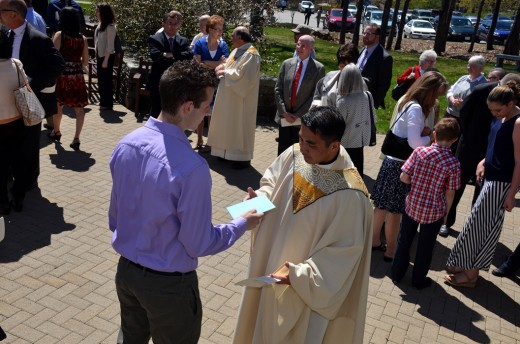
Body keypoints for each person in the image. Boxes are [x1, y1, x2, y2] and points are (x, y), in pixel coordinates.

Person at [109, 60, 263, 342]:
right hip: (168, 287)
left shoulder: (126, 144)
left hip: (127, 274)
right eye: (207, 106)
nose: (209, 112)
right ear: (187, 107)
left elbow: (116, 216)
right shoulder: (192, 168)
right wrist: (242, 222)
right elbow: (198, 242)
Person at [233, 106, 373, 344]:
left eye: (311, 143)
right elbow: (272, 182)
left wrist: (299, 275)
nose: (303, 147)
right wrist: (259, 198)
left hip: (302, 284)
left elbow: (345, 253)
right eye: (301, 139)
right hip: (272, 256)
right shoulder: (295, 154)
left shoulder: (351, 194)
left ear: (334, 146)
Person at [444, 80, 520, 288]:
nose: (494, 113)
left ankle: (471, 275)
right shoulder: (502, 117)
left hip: (501, 183)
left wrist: (512, 193)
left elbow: (519, 162)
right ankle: (467, 266)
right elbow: (495, 144)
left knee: (479, 228)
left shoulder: (518, 122)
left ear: (511, 103)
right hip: (490, 176)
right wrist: (483, 161)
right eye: (491, 110)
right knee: (476, 225)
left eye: (498, 110)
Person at [371, 72, 448, 262]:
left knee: (380, 206)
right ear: (429, 91)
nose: (436, 99)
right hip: (400, 165)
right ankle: (391, 250)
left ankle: (373, 241)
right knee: (395, 212)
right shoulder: (416, 109)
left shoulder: (409, 102)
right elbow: (415, 143)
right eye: (436, 94)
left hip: (390, 161)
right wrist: (430, 137)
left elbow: (408, 133)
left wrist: (422, 132)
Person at [0, 0, 65, 192]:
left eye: (1, 11)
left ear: (13, 14)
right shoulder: (6, 35)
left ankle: (29, 180)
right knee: (12, 140)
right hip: (8, 101)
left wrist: (31, 86)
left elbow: (57, 66)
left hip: (29, 99)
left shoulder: (38, 39)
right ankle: (11, 174)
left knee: (29, 142)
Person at [442, 71, 516, 237]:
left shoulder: (513, 99)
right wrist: (469, 137)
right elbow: (464, 114)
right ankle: (447, 221)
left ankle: (474, 227)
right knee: (457, 185)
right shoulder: (481, 90)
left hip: (492, 151)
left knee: (482, 190)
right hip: (469, 147)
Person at [391, 118, 461, 289]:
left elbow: (404, 177)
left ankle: (397, 274)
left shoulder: (419, 152)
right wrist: (446, 214)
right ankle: (418, 280)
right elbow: (450, 192)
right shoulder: (453, 164)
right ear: (455, 140)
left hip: (412, 205)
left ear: (434, 134)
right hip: (434, 212)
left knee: (404, 240)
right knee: (426, 246)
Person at [207, 26, 261, 169]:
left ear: (240, 38)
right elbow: (233, 66)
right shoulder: (237, 50)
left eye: (233, 36)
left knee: (238, 124)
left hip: (240, 99)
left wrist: (225, 72)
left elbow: (245, 78)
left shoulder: (252, 55)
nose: (231, 38)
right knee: (226, 122)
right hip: (228, 96)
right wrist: (223, 66)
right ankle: (223, 153)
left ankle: (240, 158)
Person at [275, 34, 325, 155]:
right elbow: (278, 89)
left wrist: (298, 115)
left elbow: (316, 95)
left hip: (302, 120)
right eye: (298, 44)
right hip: (285, 117)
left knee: (298, 152)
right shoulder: (286, 64)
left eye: (304, 45)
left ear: (311, 48)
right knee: (283, 152)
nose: (300, 47)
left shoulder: (318, 69)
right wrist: (284, 112)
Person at [48, 6, 88, 151]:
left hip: (62, 76)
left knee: (58, 105)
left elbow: (53, 56)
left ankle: (56, 131)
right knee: (79, 109)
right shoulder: (82, 38)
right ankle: (76, 138)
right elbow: (85, 62)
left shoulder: (60, 35)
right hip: (77, 76)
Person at [0, 30, 27, 214]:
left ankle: (3, 202)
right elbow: (25, 89)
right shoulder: (16, 65)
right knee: (17, 161)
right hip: (17, 122)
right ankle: (18, 198)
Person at [192, 14, 228, 152]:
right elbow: (197, 63)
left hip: (217, 82)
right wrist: (217, 63)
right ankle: (199, 139)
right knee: (201, 110)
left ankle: (210, 142)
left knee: (213, 113)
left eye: (221, 29)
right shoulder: (200, 43)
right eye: (218, 29)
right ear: (211, 29)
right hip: (201, 81)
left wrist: (207, 63)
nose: (220, 32)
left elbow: (226, 64)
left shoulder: (223, 44)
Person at [147, 11, 192, 118]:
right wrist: (177, 57)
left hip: (177, 82)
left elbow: (189, 54)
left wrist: (171, 55)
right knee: (156, 110)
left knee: (173, 112)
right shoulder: (155, 39)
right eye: (170, 23)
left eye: (175, 24)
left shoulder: (183, 41)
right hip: (158, 80)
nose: (172, 26)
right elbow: (155, 56)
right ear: (163, 24)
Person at [336, 63, 376, 176]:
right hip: (361, 140)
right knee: (357, 173)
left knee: (345, 174)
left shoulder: (343, 101)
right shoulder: (367, 95)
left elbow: (339, 125)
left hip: (346, 142)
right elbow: (373, 115)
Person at [444, 55, 487, 153]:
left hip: (463, 120)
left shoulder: (483, 84)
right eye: (468, 65)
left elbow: (480, 107)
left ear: (481, 68)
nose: (469, 68)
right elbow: (451, 90)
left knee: (454, 145)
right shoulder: (463, 78)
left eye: (473, 66)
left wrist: (464, 106)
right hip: (449, 114)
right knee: (443, 138)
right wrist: (452, 99)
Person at [357, 23, 393, 109]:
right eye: (364, 33)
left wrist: (373, 104)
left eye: (369, 34)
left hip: (367, 102)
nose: (365, 36)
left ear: (377, 36)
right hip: (354, 97)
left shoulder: (384, 58)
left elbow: (384, 85)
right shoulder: (362, 50)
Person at [312, 42, 359, 108]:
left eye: (347, 66)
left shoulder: (360, 85)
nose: (344, 69)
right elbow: (317, 98)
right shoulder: (327, 78)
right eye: (341, 65)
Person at [94, 3, 116, 111]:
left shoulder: (110, 26)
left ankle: (107, 104)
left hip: (106, 57)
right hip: (100, 55)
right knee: (101, 79)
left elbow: (110, 46)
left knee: (106, 80)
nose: (96, 13)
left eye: (98, 11)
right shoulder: (101, 24)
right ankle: (103, 100)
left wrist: (106, 60)